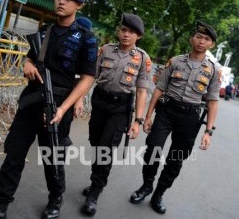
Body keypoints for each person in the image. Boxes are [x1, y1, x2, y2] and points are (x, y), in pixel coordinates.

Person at [0, 0, 98, 219]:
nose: (61, 1)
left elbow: (88, 78)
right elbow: (29, 57)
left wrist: (63, 108)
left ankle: (56, 197)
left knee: (53, 159)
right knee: (14, 155)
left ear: (78, 4)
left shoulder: (87, 38)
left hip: (59, 105)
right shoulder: (44, 31)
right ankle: (0, 204)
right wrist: (26, 64)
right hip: (31, 102)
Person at [129, 21, 220, 214]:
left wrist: (208, 131)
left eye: (206, 39)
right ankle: (146, 186)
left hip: (190, 117)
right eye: (199, 37)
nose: (201, 41)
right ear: (191, 39)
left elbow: (212, 102)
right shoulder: (175, 61)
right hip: (166, 111)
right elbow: (159, 89)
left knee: (176, 159)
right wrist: (147, 116)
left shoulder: (212, 70)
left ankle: (159, 194)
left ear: (211, 44)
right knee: (153, 148)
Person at [80, 13, 152, 216]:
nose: (126, 34)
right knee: (95, 143)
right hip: (100, 103)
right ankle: (96, 179)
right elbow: (90, 76)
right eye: (123, 30)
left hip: (120, 109)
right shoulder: (106, 50)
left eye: (131, 32)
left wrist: (138, 120)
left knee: (106, 149)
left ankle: (94, 192)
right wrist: (79, 99)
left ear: (138, 36)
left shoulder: (143, 59)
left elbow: (141, 91)